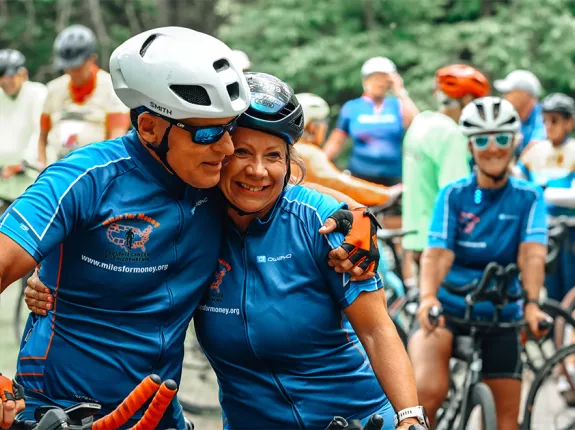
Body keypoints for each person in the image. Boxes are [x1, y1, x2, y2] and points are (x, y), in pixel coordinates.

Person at [0, 27, 379, 430]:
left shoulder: (208, 176)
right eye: (209, 134)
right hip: (63, 408)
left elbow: (276, 185)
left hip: (157, 409)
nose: (227, 149)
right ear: (149, 129)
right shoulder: (84, 178)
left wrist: (354, 213)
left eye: (229, 129)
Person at [191, 72, 427, 430]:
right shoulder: (191, 224)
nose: (257, 171)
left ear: (288, 164)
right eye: (242, 152)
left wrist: (410, 418)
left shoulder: (319, 222)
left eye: (273, 155)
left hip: (357, 420)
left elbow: (378, 330)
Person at [408, 97, 550, 430]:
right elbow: (438, 253)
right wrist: (428, 298)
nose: (493, 148)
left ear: (514, 141)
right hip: (448, 310)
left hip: (502, 312)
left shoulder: (528, 196)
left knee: (506, 422)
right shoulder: (454, 194)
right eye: (482, 140)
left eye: (502, 138)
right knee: (424, 396)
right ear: (470, 146)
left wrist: (532, 304)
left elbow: (532, 253)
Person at [402, 64, 490, 267]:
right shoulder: (451, 135)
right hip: (440, 241)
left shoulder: (420, 123)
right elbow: (457, 193)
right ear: (467, 100)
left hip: (414, 235)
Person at [37, 24, 130, 166]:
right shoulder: (54, 89)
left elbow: (116, 139)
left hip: (94, 167)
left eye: (77, 66)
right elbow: (42, 137)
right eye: (68, 67)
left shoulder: (112, 89)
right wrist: (41, 165)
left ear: (91, 59)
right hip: (54, 167)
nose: (72, 72)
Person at [323, 56, 419, 187]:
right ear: (365, 80)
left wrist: (400, 91)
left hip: (394, 178)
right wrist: (319, 163)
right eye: (375, 78)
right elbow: (336, 141)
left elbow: (417, 125)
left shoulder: (397, 104)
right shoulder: (352, 107)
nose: (379, 83)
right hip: (360, 177)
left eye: (384, 79)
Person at [516, 92, 575, 303]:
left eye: (555, 120)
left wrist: (543, 192)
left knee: (570, 285)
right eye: (545, 120)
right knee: (548, 286)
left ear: (569, 123)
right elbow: (517, 180)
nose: (548, 126)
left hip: (570, 231)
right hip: (542, 229)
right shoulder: (535, 151)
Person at [295, 92, 401, 207]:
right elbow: (338, 183)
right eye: (323, 122)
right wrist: (385, 194)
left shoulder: (291, 148)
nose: (325, 127)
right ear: (312, 126)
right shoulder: (308, 153)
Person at [0, 49, 47, 201]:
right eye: (2, 77)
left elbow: (40, 131)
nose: (7, 82)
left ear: (23, 74)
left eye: (11, 76)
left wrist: (24, 163)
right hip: (3, 184)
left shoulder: (37, 93)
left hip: (30, 179)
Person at [494, 69, 546, 156]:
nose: (504, 97)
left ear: (524, 94)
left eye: (508, 92)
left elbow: (537, 147)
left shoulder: (544, 117)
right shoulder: (514, 117)